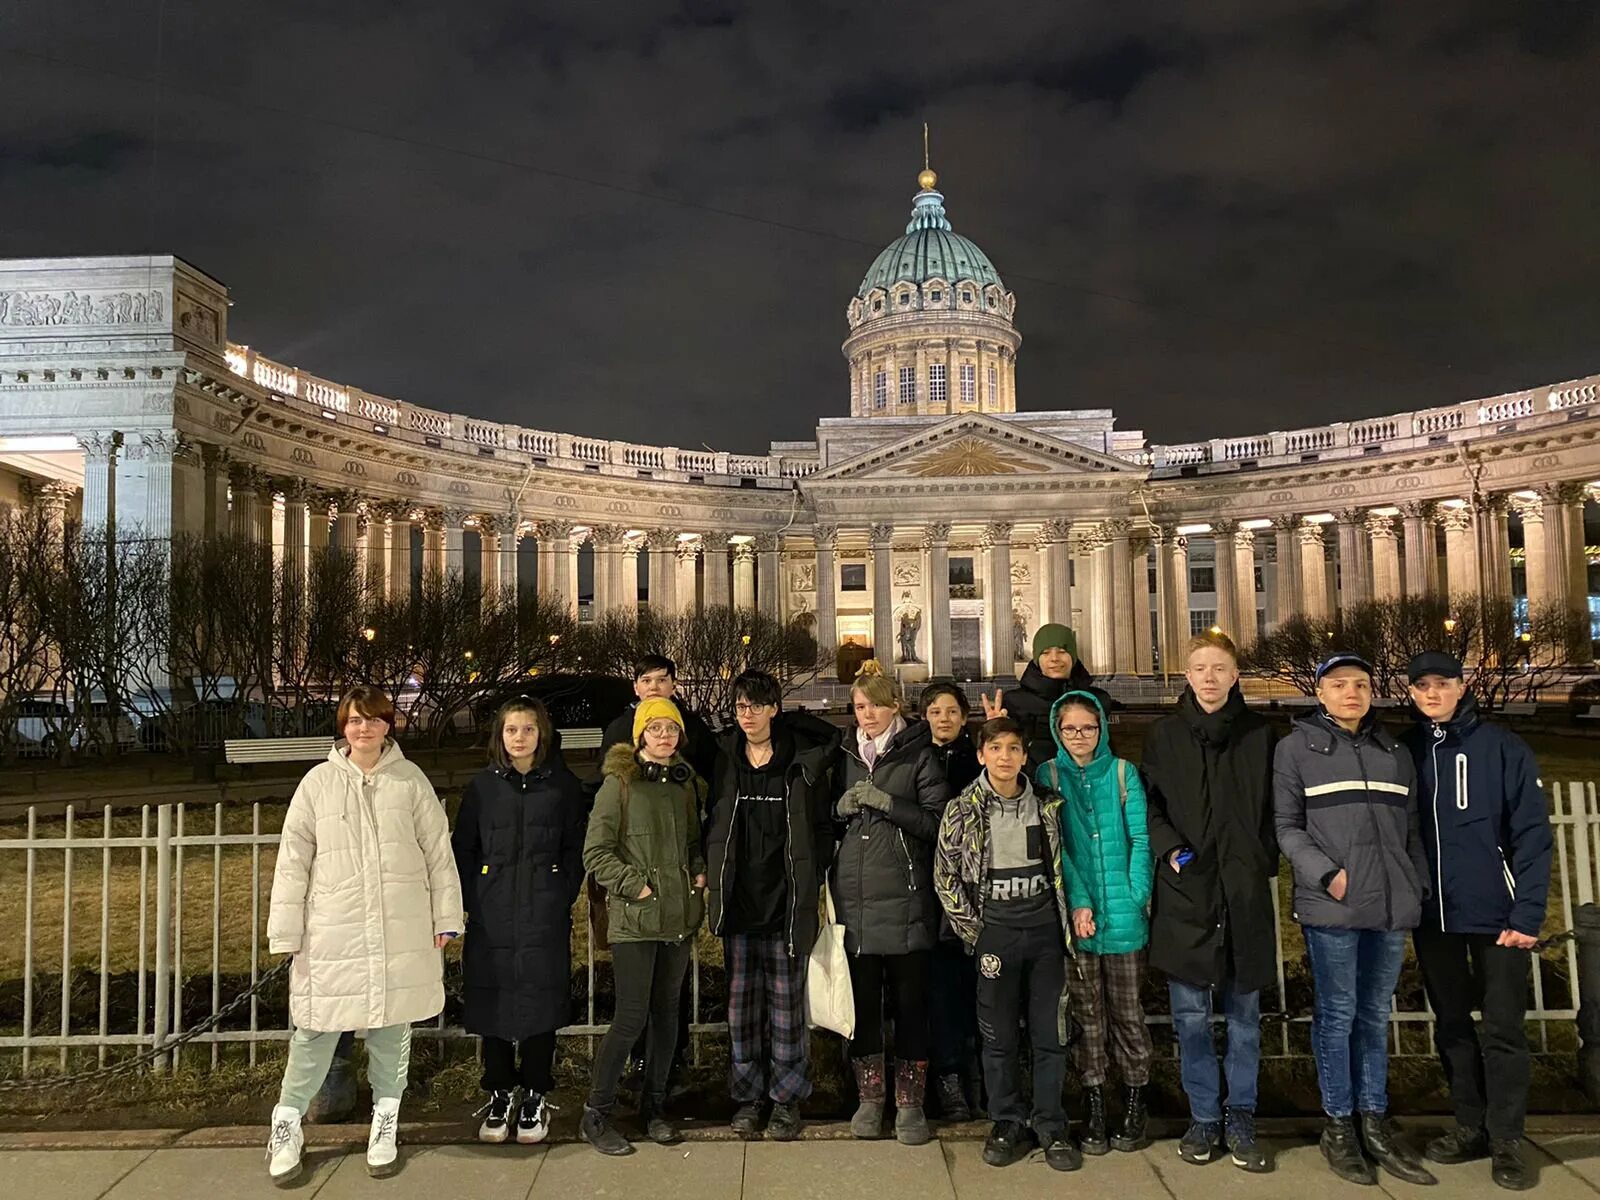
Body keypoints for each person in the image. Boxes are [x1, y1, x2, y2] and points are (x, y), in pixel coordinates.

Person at [265, 686, 463, 1184]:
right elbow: (293, 862)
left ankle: (385, 1118)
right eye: (354, 720)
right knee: (315, 1028)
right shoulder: (317, 784)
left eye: (373, 719)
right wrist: (286, 931)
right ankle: (287, 1121)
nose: (363, 729)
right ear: (343, 726)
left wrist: (446, 917)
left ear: (387, 725)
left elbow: (439, 853)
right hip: (334, 929)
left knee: (392, 1028)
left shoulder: (410, 781)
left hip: (399, 924)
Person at [1274, 652, 1435, 1186]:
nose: (1351, 693)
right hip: (1336, 905)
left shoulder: (1393, 752)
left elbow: (1410, 829)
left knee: (1373, 1017)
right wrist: (1328, 876)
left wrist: (1416, 885)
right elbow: (1287, 827)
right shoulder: (1296, 749)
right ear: (1319, 693)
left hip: (1389, 907)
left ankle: (1374, 1120)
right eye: (1339, 684)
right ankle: (1338, 1124)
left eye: (1361, 685)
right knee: (1338, 1015)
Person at [1402, 651, 1552, 1192]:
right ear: (1412, 692)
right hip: (1435, 916)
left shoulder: (1501, 748)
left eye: (1442, 683)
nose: (1432, 693)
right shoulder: (1406, 750)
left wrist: (1528, 912)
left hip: (1499, 917)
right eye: (1422, 686)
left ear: (1461, 687)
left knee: (1504, 1029)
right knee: (1453, 1028)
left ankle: (1507, 1136)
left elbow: (1533, 836)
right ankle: (1470, 1123)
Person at [1141, 631, 1278, 1172]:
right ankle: (1203, 1114)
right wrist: (1173, 852)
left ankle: (1240, 1114)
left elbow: (1274, 808)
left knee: (1244, 1017)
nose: (1209, 678)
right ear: (1188, 674)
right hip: (1186, 890)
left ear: (1235, 674)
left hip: (1241, 891)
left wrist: (1259, 859)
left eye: (1219, 668)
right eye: (1200, 668)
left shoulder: (1260, 736)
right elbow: (1148, 807)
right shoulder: (1164, 736)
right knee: (1191, 1018)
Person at [935, 717, 1080, 1172]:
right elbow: (945, 875)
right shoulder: (962, 809)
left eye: (1012, 748)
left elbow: (1066, 866)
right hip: (995, 934)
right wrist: (974, 933)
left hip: (1043, 935)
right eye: (994, 748)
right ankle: (1006, 1119)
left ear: (1024, 755)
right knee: (997, 1037)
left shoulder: (1048, 807)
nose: (1003, 757)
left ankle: (1051, 1122)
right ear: (981, 755)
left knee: (1049, 1034)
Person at [705, 670, 840, 1141]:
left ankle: (786, 1099)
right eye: (741, 707)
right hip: (738, 900)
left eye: (757, 707)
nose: (748, 716)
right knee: (742, 1009)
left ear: (774, 709)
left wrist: (815, 868)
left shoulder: (800, 763)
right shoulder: (726, 759)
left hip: (786, 901)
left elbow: (821, 825)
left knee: (785, 1008)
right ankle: (747, 1097)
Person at [452, 697, 586, 1146]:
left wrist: (559, 890)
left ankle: (534, 1091)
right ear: (500, 736)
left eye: (528, 730)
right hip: (492, 911)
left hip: (542, 910)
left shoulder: (563, 787)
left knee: (539, 998)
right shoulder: (483, 788)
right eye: (512, 730)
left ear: (541, 734)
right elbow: (464, 847)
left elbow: (574, 849)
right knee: (492, 999)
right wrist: (476, 894)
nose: (520, 738)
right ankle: (498, 1090)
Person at [580, 697, 707, 1156]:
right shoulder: (619, 784)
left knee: (667, 1015)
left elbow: (694, 840)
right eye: (654, 729)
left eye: (670, 729)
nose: (664, 736)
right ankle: (597, 1111)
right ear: (639, 736)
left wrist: (698, 871)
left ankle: (655, 1108)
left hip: (678, 919)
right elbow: (596, 852)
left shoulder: (685, 783)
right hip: (636, 921)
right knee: (631, 1017)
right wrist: (636, 888)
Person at [832, 660, 951, 1144]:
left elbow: (938, 823)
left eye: (876, 705)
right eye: (860, 706)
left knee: (909, 1006)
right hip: (856, 901)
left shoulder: (919, 756)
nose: (868, 714)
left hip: (906, 902)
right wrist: (838, 811)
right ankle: (869, 1099)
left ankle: (910, 1104)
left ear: (895, 706)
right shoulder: (843, 754)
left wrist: (888, 805)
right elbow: (823, 818)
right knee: (861, 1007)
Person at [1039, 690, 1154, 1156]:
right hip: (1077, 919)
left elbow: (1140, 838)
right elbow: (1055, 846)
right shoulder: (1047, 775)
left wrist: (1135, 895)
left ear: (1102, 728)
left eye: (1088, 727)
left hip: (1125, 917)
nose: (1080, 736)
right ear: (1057, 731)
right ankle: (1094, 1103)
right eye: (1070, 729)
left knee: (1128, 1015)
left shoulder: (1124, 773)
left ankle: (1134, 1100)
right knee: (1088, 1017)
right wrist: (1080, 902)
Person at [920, 681, 982, 1121]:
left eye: (952, 711)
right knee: (938, 991)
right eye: (935, 711)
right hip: (927, 890)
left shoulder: (981, 758)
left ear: (964, 716)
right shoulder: (911, 757)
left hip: (977, 892)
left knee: (978, 990)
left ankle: (976, 1079)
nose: (944, 718)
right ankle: (946, 1079)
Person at [982, 623, 1114, 770]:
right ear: (1036, 659)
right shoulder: (1014, 702)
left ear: (1073, 657)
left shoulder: (1096, 700)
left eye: (1062, 651)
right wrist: (994, 728)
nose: (1054, 658)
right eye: (1045, 653)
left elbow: (1107, 752)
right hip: (1035, 785)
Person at [599, 653, 718, 783]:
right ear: (636, 687)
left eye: (661, 680)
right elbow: (603, 777)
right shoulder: (618, 728)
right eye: (646, 681)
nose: (653, 687)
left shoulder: (694, 726)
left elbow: (713, 773)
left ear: (673, 685)